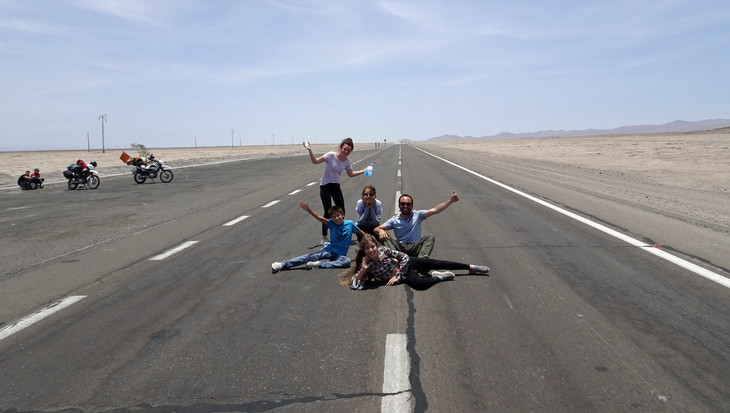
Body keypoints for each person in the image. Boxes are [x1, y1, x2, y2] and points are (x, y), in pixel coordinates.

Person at [339, 234, 490, 290]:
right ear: (364, 251)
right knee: (420, 284)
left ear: (375, 246)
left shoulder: (384, 250)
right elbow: (354, 285)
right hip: (406, 275)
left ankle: (471, 267)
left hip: (407, 265)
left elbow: (404, 257)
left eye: (372, 247)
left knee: (436, 263)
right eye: (367, 249)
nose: (371, 250)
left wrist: (397, 275)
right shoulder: (368, 265)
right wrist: (363, 269)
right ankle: (440, 277)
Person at [304, 138, 368, 245]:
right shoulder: (330, 155)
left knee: (341, 210)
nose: (346, 152)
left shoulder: (347, 161)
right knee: (327, 211)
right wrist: (309, 150)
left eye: (348, 150)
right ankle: (324, 237)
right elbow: (315, 161)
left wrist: (363, 170)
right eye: (344, 149)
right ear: (341, 147)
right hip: (325, 186)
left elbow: (350, 174)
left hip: (336, 186)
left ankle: (341, 235)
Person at [272, 200, 365, 273]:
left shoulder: (350, 224)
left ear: (343, 215)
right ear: (331, 218)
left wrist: (373, 242)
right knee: (308, 257)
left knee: (347, 262)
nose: (337, 218)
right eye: (334, 217)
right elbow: (319, 218)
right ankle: (282, 264)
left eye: (338, 215)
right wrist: (308, 210)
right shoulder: (331, 224)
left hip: (340, 255)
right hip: (329, 250)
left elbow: (361, 233)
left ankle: (319, 264)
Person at [374, 190, 460, 258]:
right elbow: (376, 228)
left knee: (430, 236)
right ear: (399, 205)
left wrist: (450, 200)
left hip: (415, 247)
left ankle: (421, 261)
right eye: (403, 204)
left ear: (412, 205)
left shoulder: (418, 215)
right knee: (384, 237)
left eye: (408, 204)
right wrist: (381, 231)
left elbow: (435, 210)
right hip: (400, 248)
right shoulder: (394, 220)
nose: (405, 206)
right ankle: (395, 260)